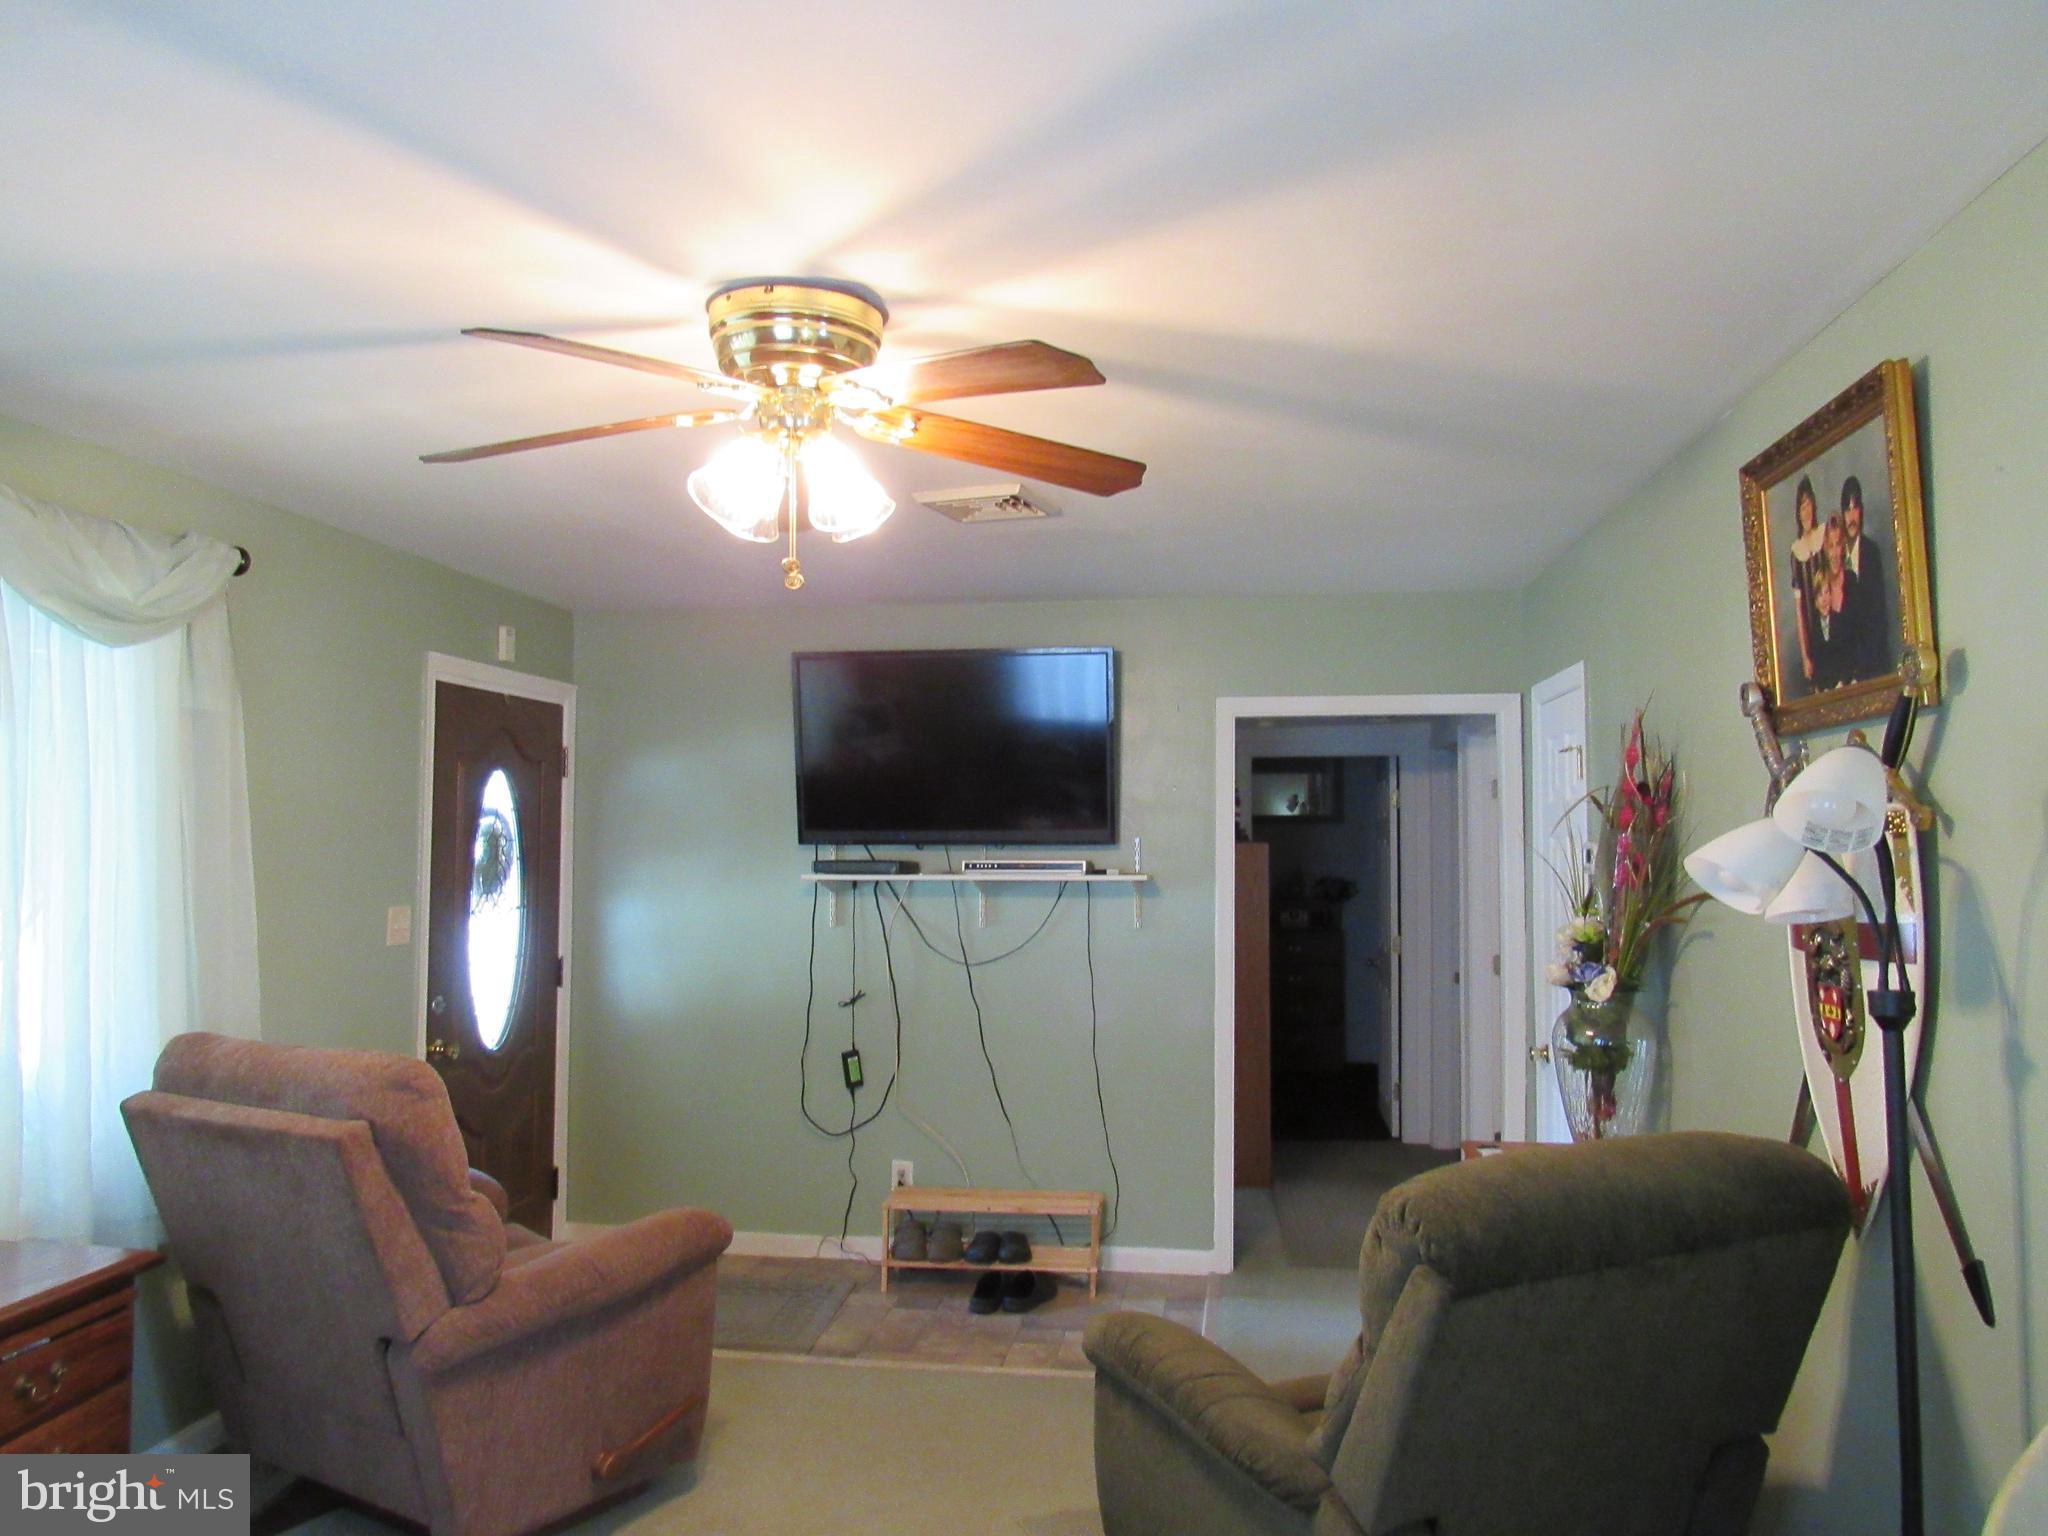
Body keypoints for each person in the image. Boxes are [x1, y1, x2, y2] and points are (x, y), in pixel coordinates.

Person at [1839, 476, 1892, 680]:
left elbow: (1878, 613)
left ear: (1862, 511)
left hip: (1872, 661)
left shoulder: (1872, 551)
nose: (1851, 516)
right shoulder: (1836, 556)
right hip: (1845, 666)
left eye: (1855, 508)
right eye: (1847, 510)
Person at [1809, 515, 1856, 691]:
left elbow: (1858, 637)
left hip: (1851, 676)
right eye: (1830, 546)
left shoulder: (1852, 581)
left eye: (1838, 545)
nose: (1835, 553)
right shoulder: (1821, 581)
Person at [1786, 476, 1825, 688]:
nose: (1807, 511)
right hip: (1812, 630)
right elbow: (1799, 609)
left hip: (1833, 621)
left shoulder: (1824, 534)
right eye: (1803, 507)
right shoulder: (1796, 551)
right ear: (1798, 513)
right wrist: (1805, 656)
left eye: (1809, 504)